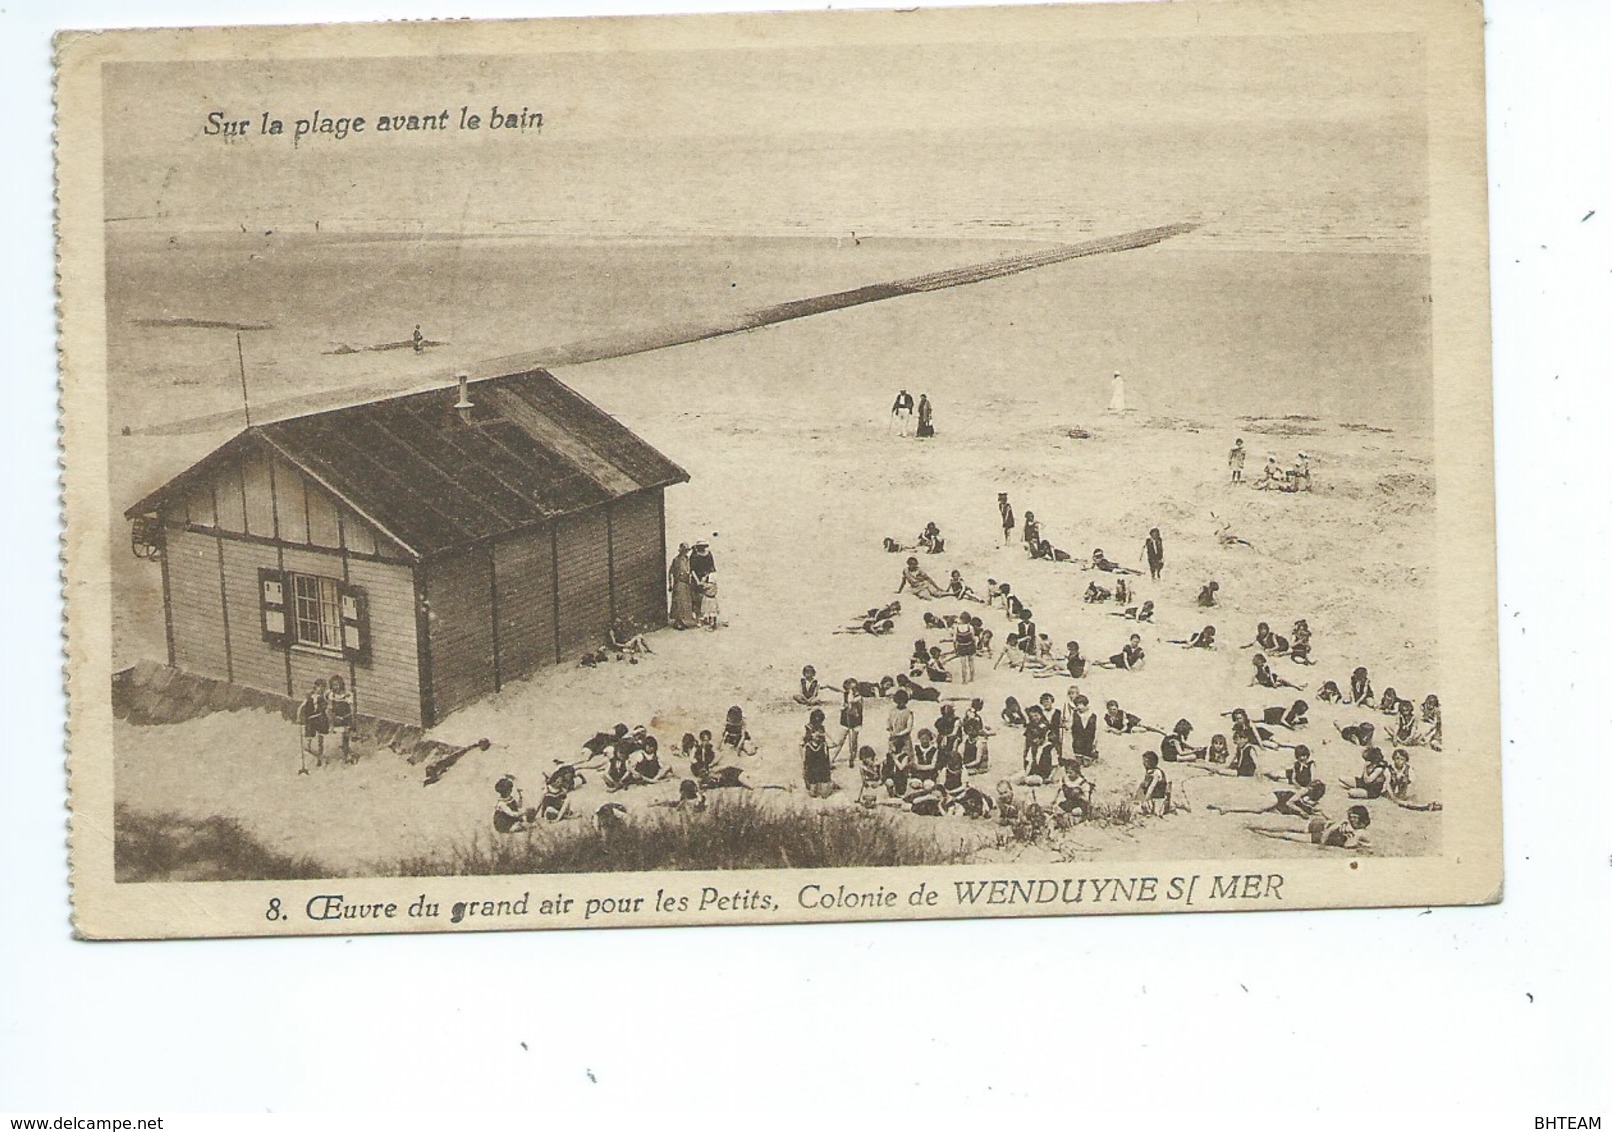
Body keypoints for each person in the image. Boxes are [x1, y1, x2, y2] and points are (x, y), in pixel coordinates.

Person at [802, 710, 836, 798]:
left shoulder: (822, 743)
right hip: (812, 768)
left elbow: (826, 757)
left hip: (821, 767)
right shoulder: (808, 743)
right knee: (812, 793)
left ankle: (830, 784)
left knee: (825, 794)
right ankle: (818, 785)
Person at [297, 679, 330, 769]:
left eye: (323, 687)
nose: (321, 689)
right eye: (320, 687)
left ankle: (320, 755)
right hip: (311, 719)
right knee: (310, 736)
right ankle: (309, 748)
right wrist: (299, 717)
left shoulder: (324, 696)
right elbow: (301, 707)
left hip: (320, 718)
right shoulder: (310, 696)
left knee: (321, 737)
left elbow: (329, 703)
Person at [832, 678, 864, 760]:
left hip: (856, 721)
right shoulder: (844, 695)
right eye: (851, 688)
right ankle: (832, 758)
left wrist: (851, 704)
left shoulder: (859, 697)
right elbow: (842, 707)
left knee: (854, 740)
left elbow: (857, 706)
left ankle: (852, 756)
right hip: (845, 721)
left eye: (855, 688)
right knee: (841, 740)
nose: (854, 690)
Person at [326, 674, 355, 764]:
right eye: (334, 685)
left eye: (337, 684)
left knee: (345, 736)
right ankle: (341, 750)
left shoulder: (347, 695)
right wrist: (331, 718)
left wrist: (351, 718)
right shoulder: (332, 695)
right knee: (335, 735)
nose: (336, 687)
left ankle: (346, 755)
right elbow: (330, 707)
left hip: (345, 718)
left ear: (341, 685)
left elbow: (352, 708)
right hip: (336, 718)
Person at [1134, 752, 1173, 816]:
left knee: (1154, 811)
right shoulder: (1149, 772)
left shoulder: (1156, 773)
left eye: (1145, 762)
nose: (1143, 763)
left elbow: (1152, 787)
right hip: (1152, 797)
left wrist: (1146, 799)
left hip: (1158, 798)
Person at [668, 543, 697, 629]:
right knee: (678, 602)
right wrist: (670, 584)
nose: (686, 553)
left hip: (686, 583)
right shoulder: (676, 560)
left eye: (687, 551)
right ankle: (677, 621)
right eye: (684, 551)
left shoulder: (687, 559)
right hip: (679, 582)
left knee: (684, 602)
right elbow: (671, 572)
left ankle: (681, 621)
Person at [886, 690, 914, 761]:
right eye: (899, 701)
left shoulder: (908, 712)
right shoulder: (892, 711)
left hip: (904, 739)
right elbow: (889, 723)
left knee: (905, 759)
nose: (901, 703)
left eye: (902, 701)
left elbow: (909, 728)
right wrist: (891, 731)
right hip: (894, 738)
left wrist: (899, 734)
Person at [951, 617, 977, 684]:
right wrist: (975, 647)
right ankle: (972, 678)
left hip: (961, 646)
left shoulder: (956, 628)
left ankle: (964, 680)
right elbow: (973, 638)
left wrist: (955, 649)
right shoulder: (970, 627)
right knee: (971, 663)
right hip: (970, 646)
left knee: (963, 665)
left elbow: (954, 640)